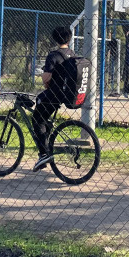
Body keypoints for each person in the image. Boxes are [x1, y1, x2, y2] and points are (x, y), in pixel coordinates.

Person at [30, 25, 76, 169]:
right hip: (66, 93)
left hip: (54, 93)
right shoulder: (72, 54)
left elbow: (45, 78)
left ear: (55, 38)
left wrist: (47, 82)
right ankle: (47, 140)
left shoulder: (53, 55)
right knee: (44, 116)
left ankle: (44, 154)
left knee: (37, 119)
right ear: (69, 38)